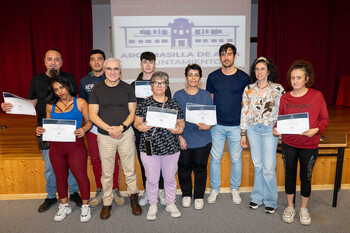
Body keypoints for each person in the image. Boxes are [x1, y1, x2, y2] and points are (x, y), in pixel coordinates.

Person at [1, 49, 82, 212]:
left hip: (68, 128)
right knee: (50, 165)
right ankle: (51, 195)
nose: (53, 62)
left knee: (72, 163)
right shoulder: (36, 80)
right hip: (46, 128)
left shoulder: (70, 78)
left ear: (62, 62)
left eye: (57, 59)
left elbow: (77, 102)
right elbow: (31, 104)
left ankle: (73, 192)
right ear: (44, 61)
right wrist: (11, 107)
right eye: (50, 59)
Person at [273, 60, 329, 225]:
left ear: (307, 79)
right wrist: (277, 129)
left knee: (306, 176)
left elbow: (324, 119)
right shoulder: (284, 98)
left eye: (299, 77)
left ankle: (303, 208)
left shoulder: (317, 96)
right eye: (292, 78)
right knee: (289, 175)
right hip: (289, 143)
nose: (295, 81)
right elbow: (280, 120)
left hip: (309, 144)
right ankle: (290, 207)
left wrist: (316, 130)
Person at [89, 58, 142, 220]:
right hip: (105, 136)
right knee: (107, 172)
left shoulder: (127, 88)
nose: (112, 72)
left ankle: (134, 198)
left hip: (125, 134)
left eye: (116, 69)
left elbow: (132, 112)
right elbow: (92, 114)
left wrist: (121, 127)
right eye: (109, 69)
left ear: (120, 71)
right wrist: (109, 129)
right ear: (104, 70)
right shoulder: (96, 90)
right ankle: (107, 202)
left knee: (129, 170)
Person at [35, 76, 92, 222]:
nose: (59, 91)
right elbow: (46, 125)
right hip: (56, 148)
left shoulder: (80, 102)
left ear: (68, 86)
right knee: (60, 177)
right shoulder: (50, 105)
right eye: (55, 89)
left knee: (81, 176)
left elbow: (90, 121)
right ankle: (64, 204)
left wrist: (84, 129)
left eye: (61, 87)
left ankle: (85, 206)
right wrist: (40, 130)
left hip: (75, 146)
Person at [134, 71, 185, 220]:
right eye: (156, 82)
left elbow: (181, 122)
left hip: (171, 148)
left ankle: (170, 203)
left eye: (162, 82)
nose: (159, 85)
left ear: (167, 85)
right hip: (149, 148)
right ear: (151, 86)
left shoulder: (174, 103)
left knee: (169, 178)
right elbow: (137, 122)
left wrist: (179, 129)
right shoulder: (144, 104)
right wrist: (140, 127)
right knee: (151, 179)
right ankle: (153, 205)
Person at [206, 43, 250, 204]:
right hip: (217, 126)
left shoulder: (244, 78)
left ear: (235, 56)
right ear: (220, 57)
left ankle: (235, 189)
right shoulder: (212, 77)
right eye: (223, 54)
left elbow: (247, 104)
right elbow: (210, 101)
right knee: (215, 158)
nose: (226, 57)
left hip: (236, 126)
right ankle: (215, 189)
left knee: (236, 159)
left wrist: (244, 129)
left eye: (229, 54)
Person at [240, 57, 285, 214]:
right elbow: (245, 111)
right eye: (257, 69)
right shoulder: (248, 89)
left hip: (269, 130)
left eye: (262, 69)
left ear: (268, 71)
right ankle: (257, 197)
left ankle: (270, 200)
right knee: (258, 165)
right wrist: (243, 132)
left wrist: (281, 129)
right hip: (252, 129)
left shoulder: (278, 89)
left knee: (268, 167)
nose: (259, 72)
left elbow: (282, 111)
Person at [80, 49, 124, 207]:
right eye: (93, 59)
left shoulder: (114, 79)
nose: (96, 62)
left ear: (105, 63)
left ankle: (114, 189)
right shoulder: (84, 81)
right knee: (97, 159)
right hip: (93, 127)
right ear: (90, 63)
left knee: (114, 160)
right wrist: (88, 125)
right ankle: (100, 189)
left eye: (100, 59)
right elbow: (85, 106)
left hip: (113, 128)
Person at [130, 51, 170, 206]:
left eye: (151, 62)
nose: (148, 65)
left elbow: (170, 107)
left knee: (160, 161)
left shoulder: (163, 83)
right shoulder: (133, 85)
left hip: (161, 132)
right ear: (141, 64)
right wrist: (135, 130)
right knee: (145, 162)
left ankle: (160, 189)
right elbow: (132, 110)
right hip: (143, 132)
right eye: (145, 62)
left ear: (155, 64)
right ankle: (148, 190)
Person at [173, 64, 212, 210]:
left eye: (196, 75)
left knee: (200, 168)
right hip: (184, 137)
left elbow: (210, 117)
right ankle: (187, 194)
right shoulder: (178, 95)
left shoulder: (206, 95)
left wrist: (208, 126)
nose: (193, 78)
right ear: (186, 77)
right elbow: (175, 118)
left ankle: (199, 196)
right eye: (190, 74)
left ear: (200, 78)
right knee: (184, 168)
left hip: (203, 137)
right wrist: (179, 136)